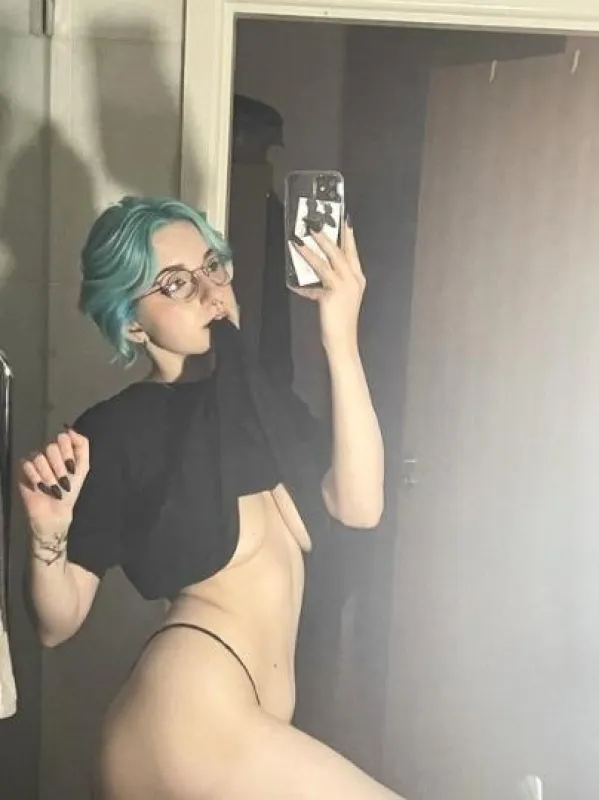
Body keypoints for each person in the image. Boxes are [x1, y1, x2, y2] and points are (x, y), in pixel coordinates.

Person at [19, 196, 402, 799]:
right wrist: (49, 537)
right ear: (133, 322)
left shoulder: (263, 400)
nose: (209, 290)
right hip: (185, 717)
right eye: (175, 283)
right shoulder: (117, 431)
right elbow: (56, 625)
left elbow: (360, 506)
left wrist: (340, 338)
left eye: (212, 266)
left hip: (245, 722)